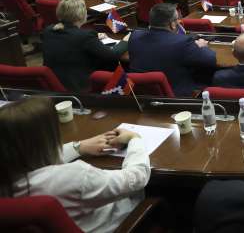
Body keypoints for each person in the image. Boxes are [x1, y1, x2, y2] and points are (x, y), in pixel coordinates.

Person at [0, 97, 151, 233]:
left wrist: (78, 147)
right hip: (120, 220)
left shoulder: (7, 176)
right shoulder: (75, 177)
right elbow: (137, 178)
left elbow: (36, 158)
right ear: (47, 139)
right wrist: (135, 139)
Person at [41, 0, 129, 92]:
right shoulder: (85, 36)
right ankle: (121, 97)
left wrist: (94, 37)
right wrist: (125, 40)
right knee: (117, 64)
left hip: (54, 84)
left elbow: (71, 41)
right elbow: (112, 55)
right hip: (80, 87)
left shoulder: (48, 30)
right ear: (82, 15)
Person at [128, 3, 216, 96]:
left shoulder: (135, 36)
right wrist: (202, 46)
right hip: (175, 97)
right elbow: (210, 59)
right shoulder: (182, 42)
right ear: (173, 24)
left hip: (141, 96)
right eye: (177, 19)